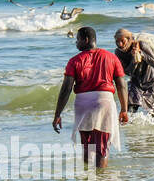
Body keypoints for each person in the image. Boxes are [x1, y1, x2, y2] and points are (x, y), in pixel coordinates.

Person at [53, 26, 128, 168]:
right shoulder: (111, 57)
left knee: (87, 145)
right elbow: (122, 85)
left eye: (78, 39)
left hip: (82, 104)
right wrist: (124, 109)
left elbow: (66, 89)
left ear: (86, 40)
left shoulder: (74, 61)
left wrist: (57, 114)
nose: (76, 43)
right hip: (104, 102)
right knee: (102, 148)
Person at [113, 28, 154, 119]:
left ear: (130, 40)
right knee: (131, 106)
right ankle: (130, 129)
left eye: (122, 41)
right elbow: (128, 72)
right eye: (117, 41)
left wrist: (141, 53)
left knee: (153, 112)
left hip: (152, 80)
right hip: (136, 81)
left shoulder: (142, 45)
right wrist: (134, 59)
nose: (120, 44)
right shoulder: (118, 53)